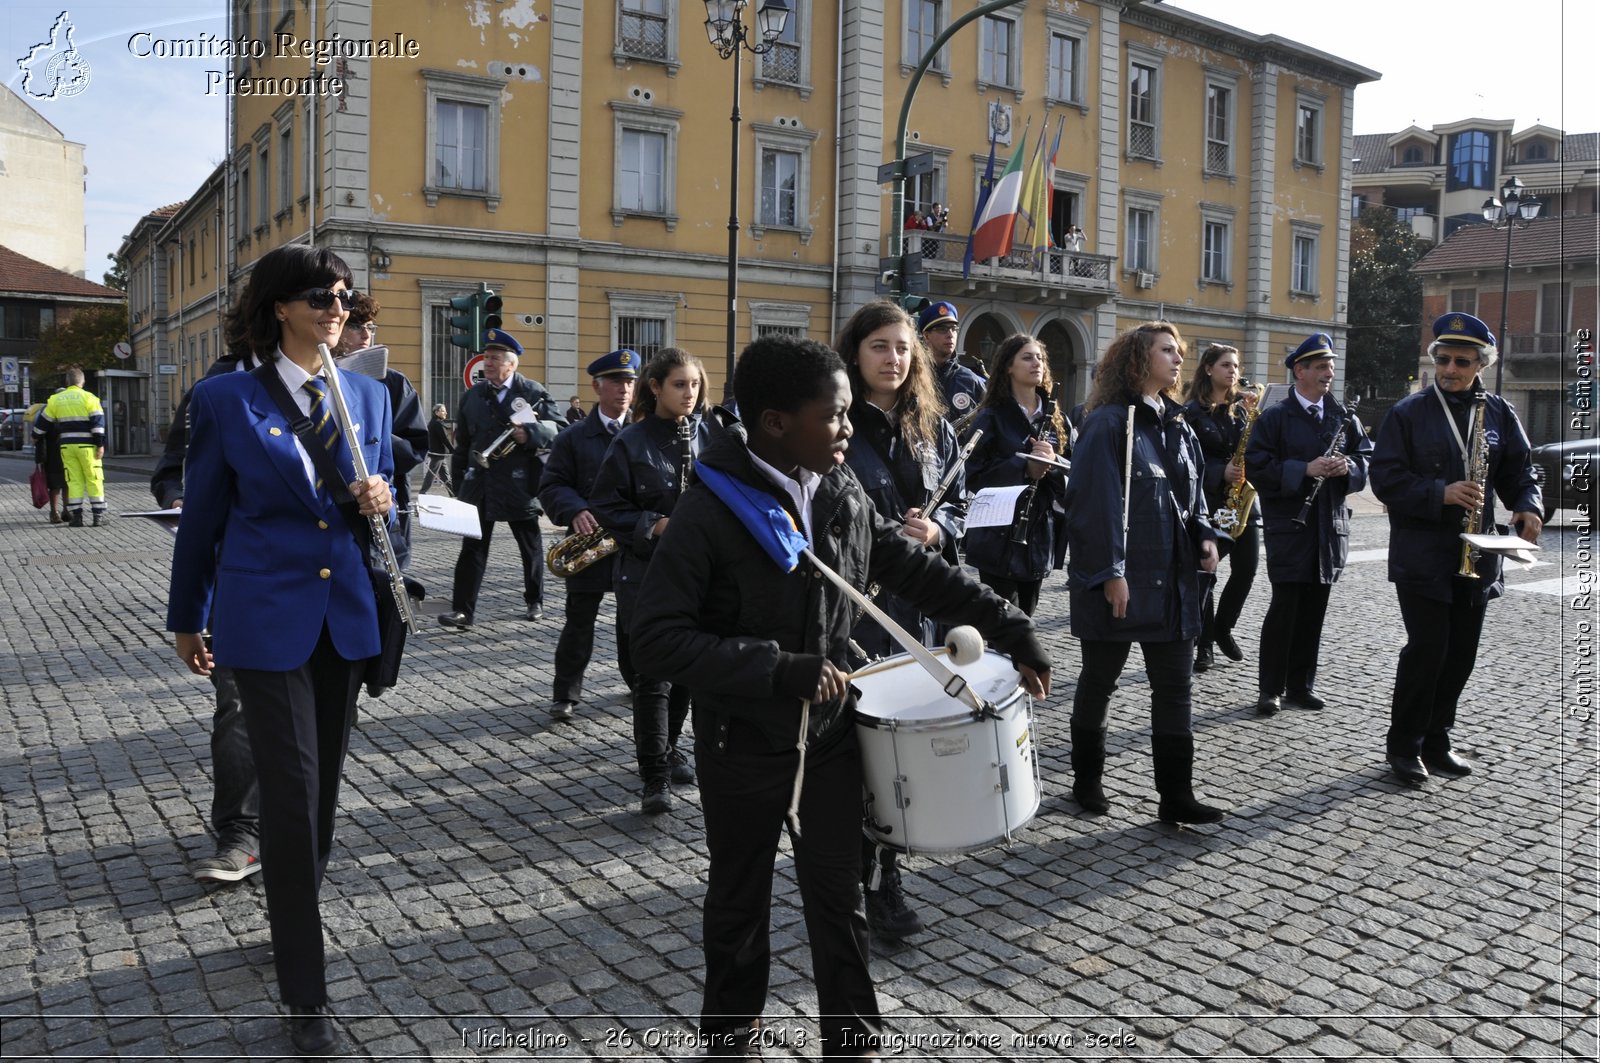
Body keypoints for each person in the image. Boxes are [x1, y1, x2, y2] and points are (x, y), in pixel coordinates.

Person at [630, 335, 1051, 1059]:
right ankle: (732, 1044)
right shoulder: (709, 511)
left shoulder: (839, 489)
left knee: (840, 895)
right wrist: (775, 666)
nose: (848, 430)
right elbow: (656, 641)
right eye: (834, 416)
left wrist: (1012, 626)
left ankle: (852, 1044)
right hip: (744, 743)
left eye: (850, 414)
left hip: (827, 736)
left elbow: (915, 568)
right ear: (774, 423)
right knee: (739, 905)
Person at [165, 243, 395, 1056]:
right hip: (262, 622)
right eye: (318, 295)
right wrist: (188, 618)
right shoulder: (226, 398)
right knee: (292, 796)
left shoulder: (368, 394)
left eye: (342, 295)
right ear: (278, 308)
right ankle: (307, 990)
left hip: (345, 619)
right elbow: (203, 519)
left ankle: (288, 911)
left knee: (322, 796)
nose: (336, 306)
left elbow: (380, 525)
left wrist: (382, 501)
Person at [834, 299, 968, 942]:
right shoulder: (832, 423)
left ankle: (887, 880)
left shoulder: (931, 425)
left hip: (917, 611)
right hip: (854, 611)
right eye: (880, 346)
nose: (894, 358)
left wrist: (939, 527)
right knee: (858, 751)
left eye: (902, 347)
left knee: (900, 753)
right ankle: (852, 884)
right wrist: (889, 536)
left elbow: (961, 502)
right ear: (855, 354)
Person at [1369, 312, 1542, 785]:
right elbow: (1383, 479)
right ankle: (1403, 747)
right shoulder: (1408, 413)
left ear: (1480, 364)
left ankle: (1437, 740)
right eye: (1442, 359)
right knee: (1428, 650)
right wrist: (1438, 492)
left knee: (1461, 653)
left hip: (1478, 554)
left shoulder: (1501, 413)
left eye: (1461, 361)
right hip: (1422, 554)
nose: (1449, 369)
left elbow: (1521, 471)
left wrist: (1528, 505)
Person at [1063, 321, 1225, 824]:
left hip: (1173, 580)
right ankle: (1086, 779)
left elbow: (1195, 494)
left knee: (1175, 688)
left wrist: (1206, 535)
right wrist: (1110, 571)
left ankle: (1177, 794)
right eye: (1166, 351)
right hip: (1120, 581)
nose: (1178, 360)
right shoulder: (1109, 423)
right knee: (1100, 680)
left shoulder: (1177, 423)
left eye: (1179, 352)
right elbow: (1094, 505)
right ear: (1138, 358)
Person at [152, 347, 268, 886]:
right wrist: (181, 499)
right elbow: (172, 470)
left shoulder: (355, 385)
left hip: (330, 591)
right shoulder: (216, 388)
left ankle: (298, 825)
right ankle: (241, 833)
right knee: (239, 705)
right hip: (239, 581)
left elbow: (398, 456)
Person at [590, 348, 713, 814]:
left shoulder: (712, 435)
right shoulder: (631, 441)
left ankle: (670, 748)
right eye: (679, 385)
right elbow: (606, 505)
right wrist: (655, 525)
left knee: (687, 672)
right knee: (652, 676)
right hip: (646, 572)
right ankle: (653, 776)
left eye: (695, 385)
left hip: (700, 573)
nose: (689, 394)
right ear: (656, 387)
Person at [1244, 332, 1373, 717]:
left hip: (1328, 529)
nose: (1328, 374)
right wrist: (1305, 469)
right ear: (1299, 371)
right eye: (1320, 367)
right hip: (1291, 528)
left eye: (1330, 367)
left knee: (1314, 612)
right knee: (1284, 610)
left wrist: (1347, 467)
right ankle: (1270, 688)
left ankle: (1301, 685)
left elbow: (1365, 461)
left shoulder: (1342, 416)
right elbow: (1256, 467)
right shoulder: (1275, 417)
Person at [539, 348, 642, 722]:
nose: (624, 390)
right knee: (579, 622)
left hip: (633, 544)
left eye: (630, 382)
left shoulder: (644, 432)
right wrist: (575, 509)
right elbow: (551, 485)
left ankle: (638, 684)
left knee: (633, 621)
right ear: (597, 386)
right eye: (616, 382)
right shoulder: (574, 436)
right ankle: (565, 694)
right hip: (589, 544)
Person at [437, 329, 564, 629]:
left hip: (521, 484)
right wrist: (459, 488)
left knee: (529, 547)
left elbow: (561, 428)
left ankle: (535, 600)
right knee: (472, 549)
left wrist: (530, 433)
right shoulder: (472, 396)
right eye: (486, 358)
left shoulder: (532, 392)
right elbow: (463, 446)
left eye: (494, 359)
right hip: (480, 484)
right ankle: (463, 611)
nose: (487, 364)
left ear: (512, 364)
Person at [962, 334, 1072, 617]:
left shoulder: (1057, 417)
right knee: (1005, 626)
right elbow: (972, 474)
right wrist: (1023, 468)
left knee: (1027, 619)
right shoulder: (992, 416)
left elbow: (1076, 473)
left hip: (1038, 535)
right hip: (997, 536)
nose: (1037, 363)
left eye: (1040, 357)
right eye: (1027, 357)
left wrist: (1053, 462)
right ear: (1008, 367)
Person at [335, 293, 428, 579]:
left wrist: (372, 435)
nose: (365, 334)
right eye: (356, 326)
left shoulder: (393, 382)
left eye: (371, 327)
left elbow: (416, 447)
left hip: (381, 505)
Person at [1182, 344, 1262, 673]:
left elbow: (1256, 450)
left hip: (1242, 501)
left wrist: (1256, 418)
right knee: (1208, 573)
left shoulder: (1242, 410)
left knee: (1247, 569)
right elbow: (1186, 461)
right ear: (1209, 369)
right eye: (1226, 365)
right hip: (1210, 503)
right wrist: (1219, 472)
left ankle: (1223, 628)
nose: (1233, 371)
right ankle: (1204, 644)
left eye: (1236, 365)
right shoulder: (1191, 412)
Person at [35, 368, 106, 527]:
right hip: (87, 447)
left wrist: (35, 436)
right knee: (94, 479)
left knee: (73, 480)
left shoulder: (55, 399)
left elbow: (41, 424)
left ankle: (77, 517)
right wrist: (100, 444)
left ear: (67, 382)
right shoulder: (90, 398)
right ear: (83, 382)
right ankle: (97, 516)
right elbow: (98, 424)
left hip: (67, 447)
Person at [917, 301, 984, 421]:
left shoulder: (970, 380)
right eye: (942, 329)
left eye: (954, 329)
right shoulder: (913, 375)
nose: (950, 334)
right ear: (926, 336)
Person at [29, 395, 66, 523]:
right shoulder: (53, 411)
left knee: (62, 484)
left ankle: (62, 511)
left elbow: (36, 435)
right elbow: (37, 434)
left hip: (57, 453)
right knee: (60, 484)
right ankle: (58, 512)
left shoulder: (49, 411)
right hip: (56, 453)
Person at [419, 404, 453, 495]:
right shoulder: (437, 423)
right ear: (436, 412)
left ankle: (453, 493)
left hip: (439, 453)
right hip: (438, 454)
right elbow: (444, 439)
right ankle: (423, 492)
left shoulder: (434, 422)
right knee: (432, 474)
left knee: (445, 475)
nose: (446, 412)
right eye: (443, 410)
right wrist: (453, 450)